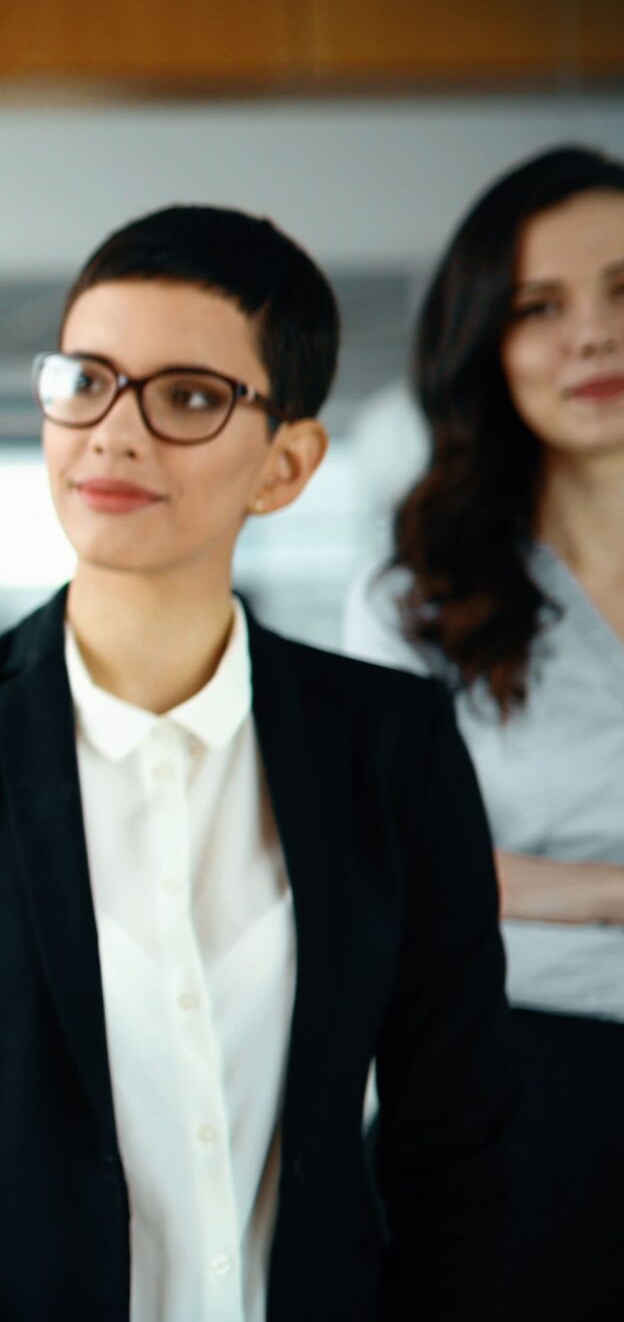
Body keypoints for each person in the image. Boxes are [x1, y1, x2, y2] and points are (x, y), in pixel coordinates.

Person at [0, 206, 519, 1321]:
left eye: (185, 397)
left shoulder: (390, 743)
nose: (112, 434)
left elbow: (455, 1152)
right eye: (86, 380)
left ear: (286, 464)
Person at [343, 144, 624, 1322]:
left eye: (622, 294)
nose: (591, 339)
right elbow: (395, 865)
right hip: (536, 1083)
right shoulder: (416, 599)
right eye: (538, 308)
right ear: (482, 347)